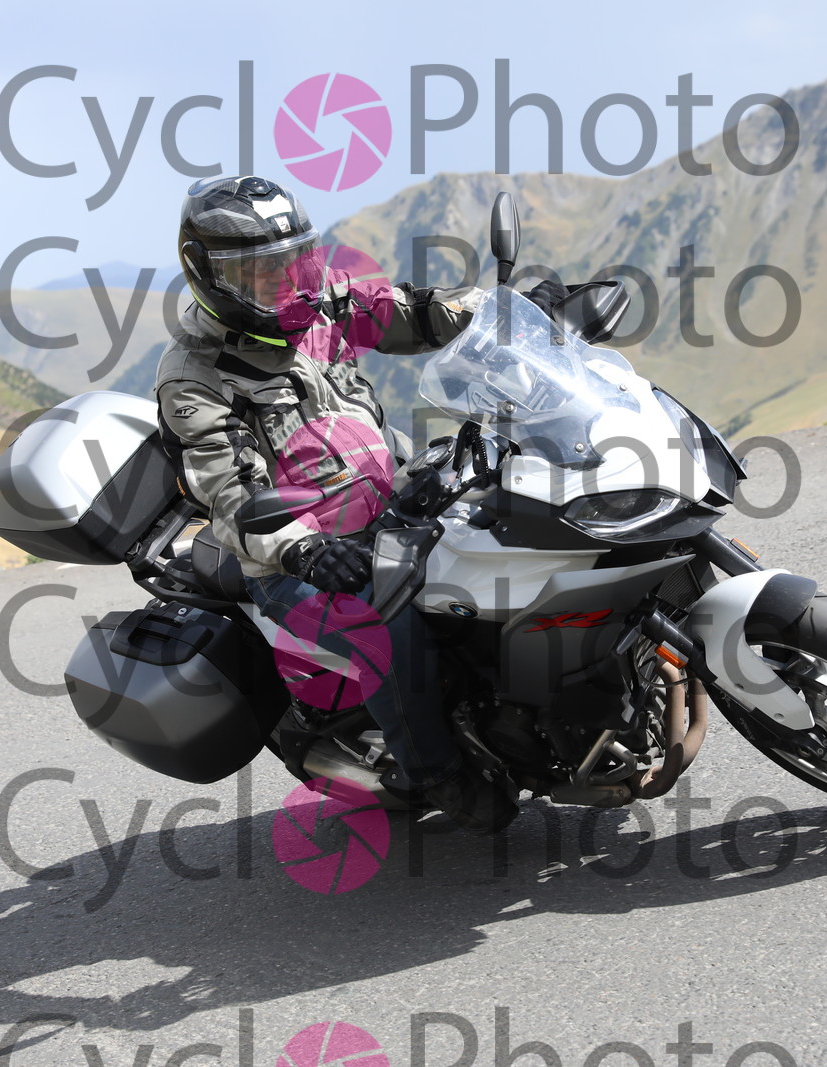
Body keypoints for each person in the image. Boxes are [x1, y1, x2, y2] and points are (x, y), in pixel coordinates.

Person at [155, 175, 562, 833]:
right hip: (298, 558)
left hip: (392, 506)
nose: (281, 281)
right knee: (383, 622)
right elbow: (229, 492)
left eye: (291, 260)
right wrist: (304, 550)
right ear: (207, 273)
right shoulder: (194, 376)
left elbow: (415, 313)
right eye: (256, 270)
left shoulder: (318, 301)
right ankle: (437, 772)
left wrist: (505, 312)